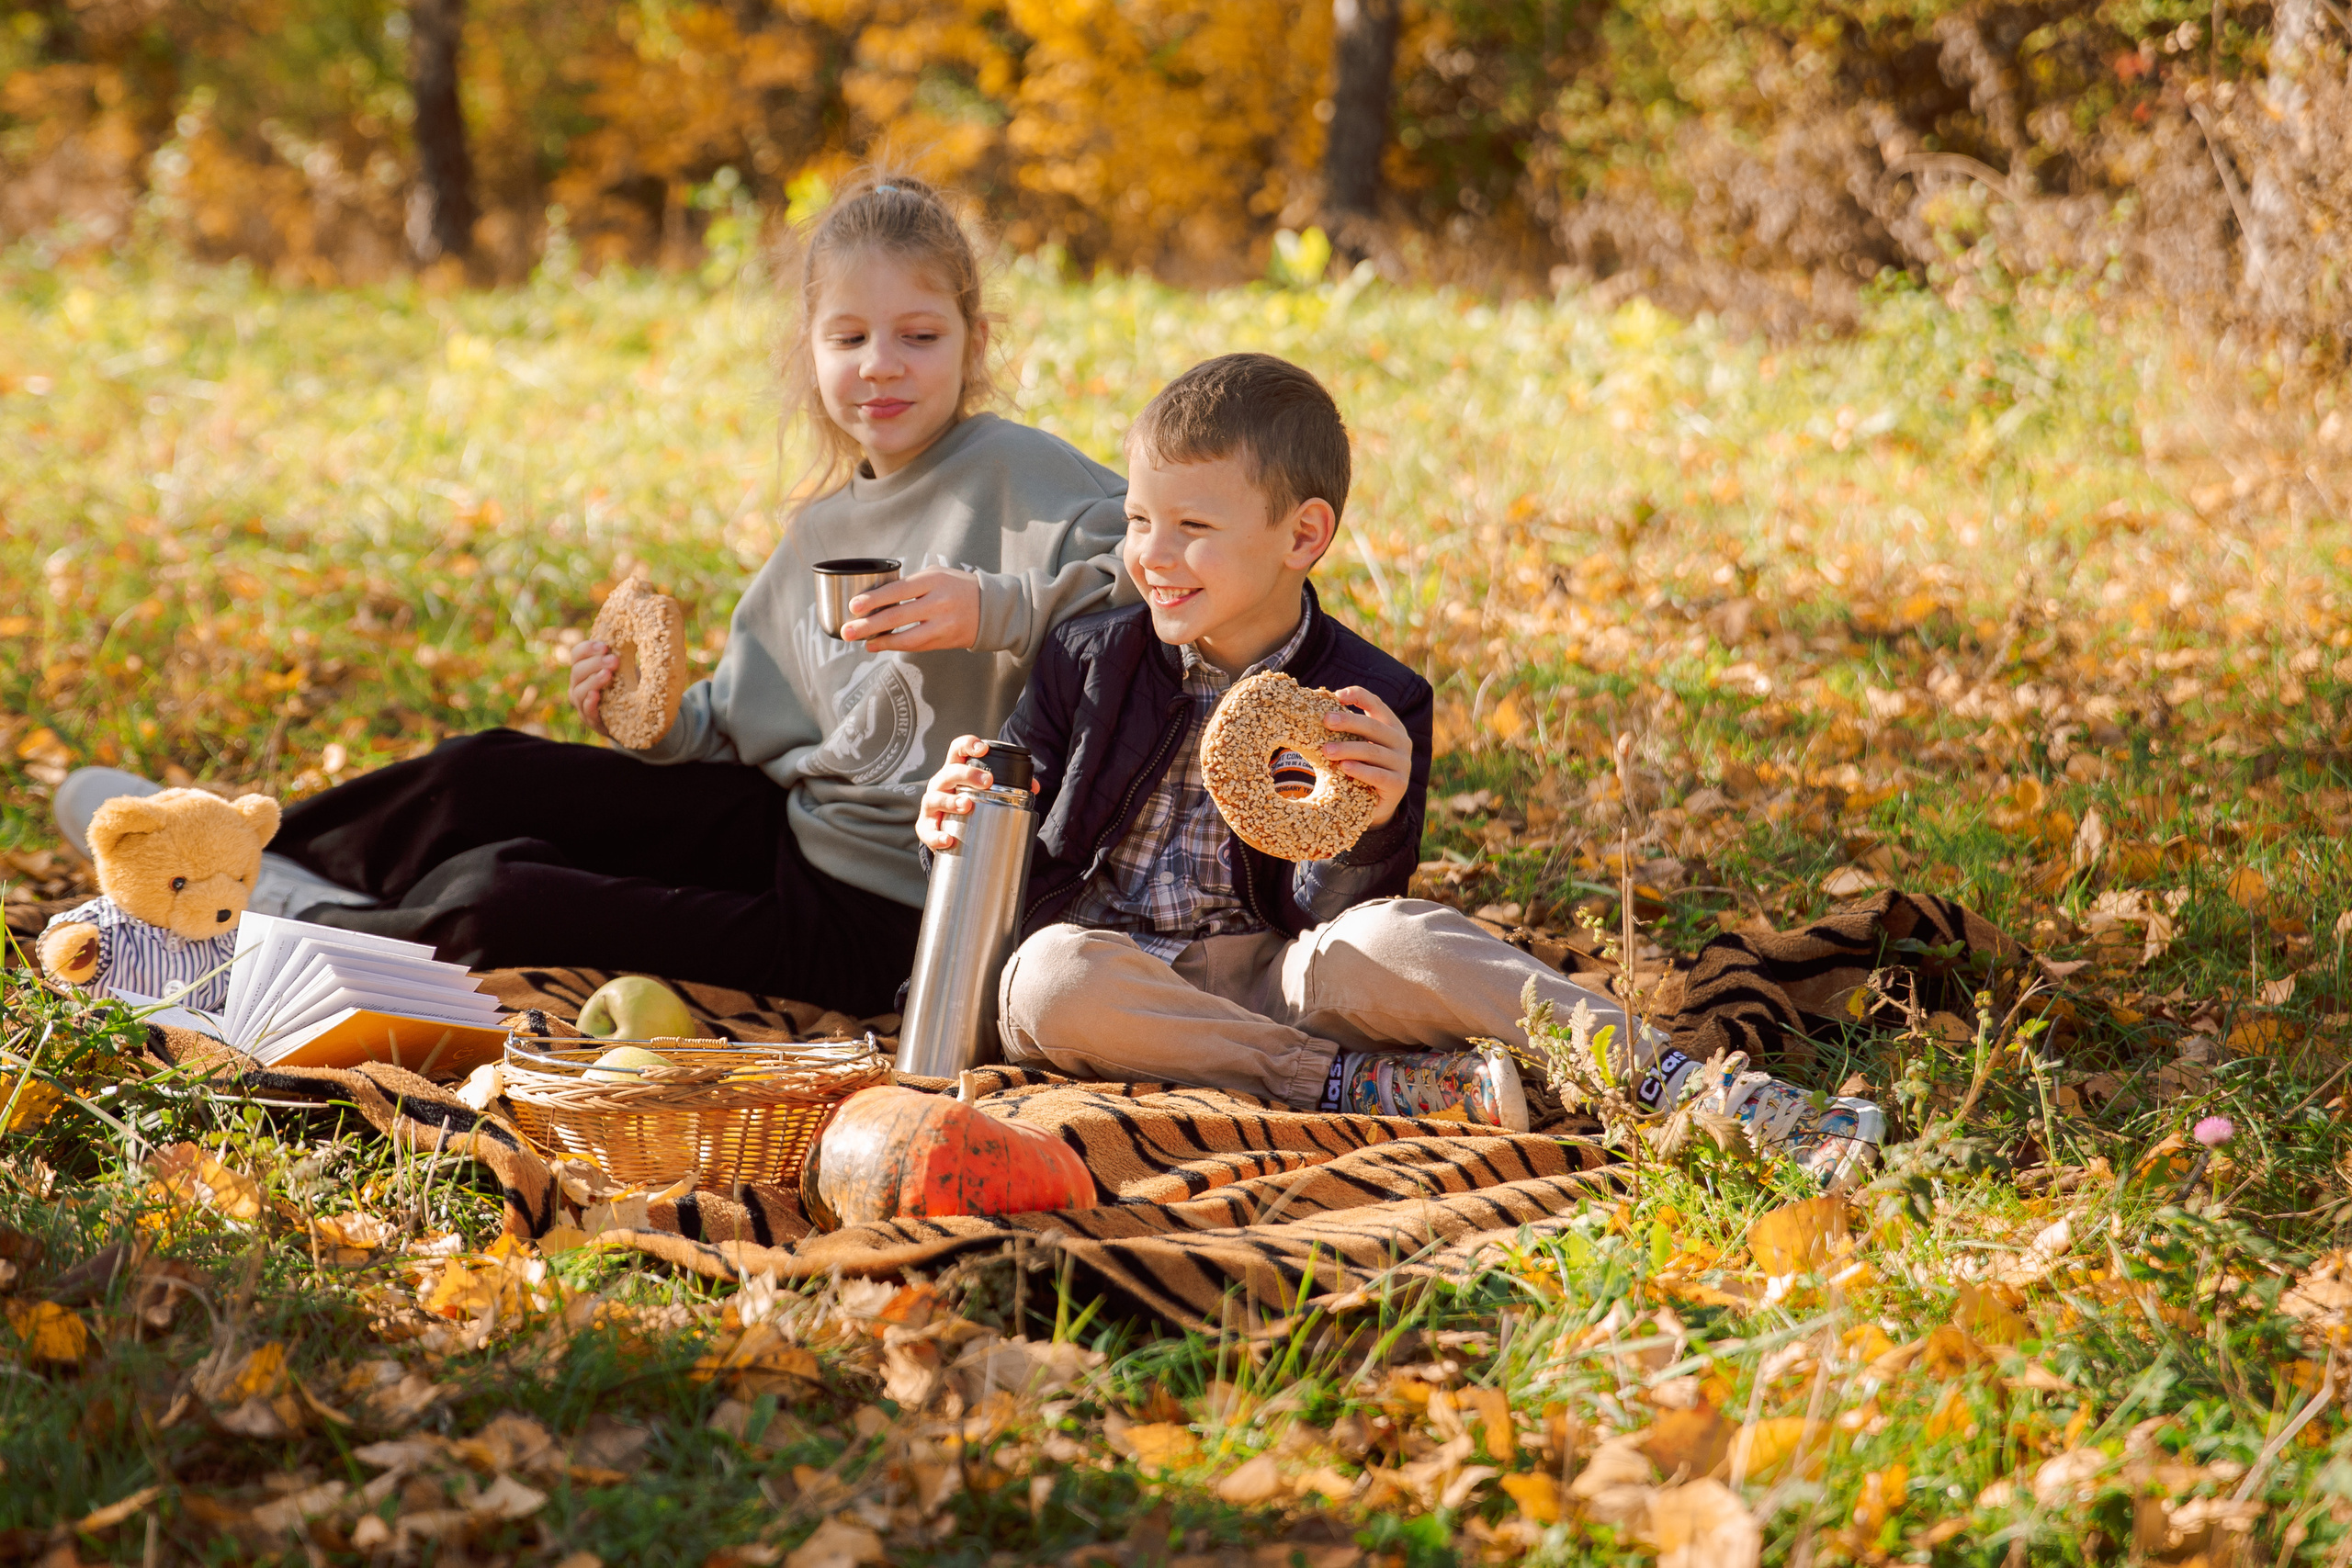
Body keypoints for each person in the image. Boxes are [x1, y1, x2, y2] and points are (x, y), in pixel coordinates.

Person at [53, 174, 1134, 1019]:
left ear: (973, 342)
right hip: (788, 826)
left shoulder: (1022, 473)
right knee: (485, 774)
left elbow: (1166, 587)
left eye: (919, 336)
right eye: (848, 338)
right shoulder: (823, 532)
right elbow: (742, 729)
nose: (880, 367)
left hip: (897, 914)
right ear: (809, 352)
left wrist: (993, 609)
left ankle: (289, 931)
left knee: (504, 898)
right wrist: (652, 718)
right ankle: (216, 848)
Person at [919, 353, 1882, 1188]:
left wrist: (1373, 821)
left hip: (1276, 970)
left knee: (1408, 936)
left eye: (1191, 529)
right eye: (1137, 520)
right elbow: (1013, 854)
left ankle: (1692, 1090)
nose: (1150, 557)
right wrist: (957, 821)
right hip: (1113, 980)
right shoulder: (1087, 657)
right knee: (1044, 981)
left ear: (1302, 536)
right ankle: (1348, 1085)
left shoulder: (1367, 695)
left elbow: (1341, 917)